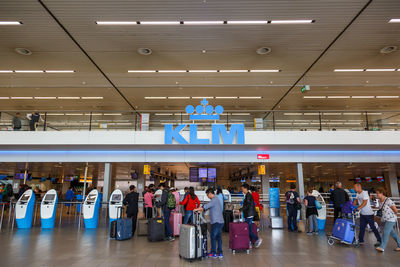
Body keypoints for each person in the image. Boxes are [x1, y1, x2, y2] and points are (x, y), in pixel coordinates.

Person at [194, 188, 225, 259]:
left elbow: (206, 206)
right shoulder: (216, 199)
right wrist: (201, 210)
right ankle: (220, 253)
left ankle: (214, 253)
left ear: (210, 193)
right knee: (219, 237)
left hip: (216, 222)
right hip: (220, 221)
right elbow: (209, 208)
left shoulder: (214, 199)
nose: (207, 196)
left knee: (213, 237)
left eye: (207, 195)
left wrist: (196, 209)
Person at [375, 188, 400, 252]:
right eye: (376, 193)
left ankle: (382, 247)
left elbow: (396, 210)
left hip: (391, 219)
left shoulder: (388, 200)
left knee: (385, 232)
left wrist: (391, 215)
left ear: (382, 193)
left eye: (378, 193)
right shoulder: (380, 201)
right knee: (393, 233)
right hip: (385, 219)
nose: (376, 195)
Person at [241, 184, 262, 248]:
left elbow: (247, 205)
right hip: (249, 214)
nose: (242, 190)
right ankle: (250, 242)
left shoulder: (248, 196)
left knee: (249, 230)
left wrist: (240, 210)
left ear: (245, 188)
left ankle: (257, 239)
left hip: (249, 215)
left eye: (242, 189)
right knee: (248, 229)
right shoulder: (248, 195)